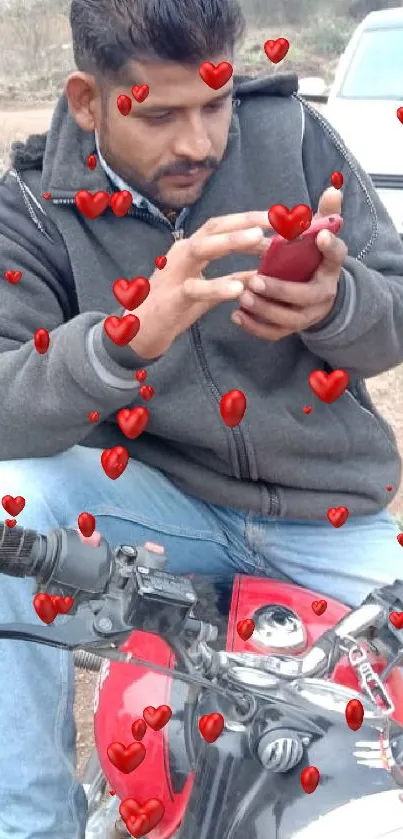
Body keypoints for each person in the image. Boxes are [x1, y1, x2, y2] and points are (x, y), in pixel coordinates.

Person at [1, 0, 403, 835]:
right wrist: (125, 339)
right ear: (86, 99)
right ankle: (34, 821)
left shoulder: (290, 135)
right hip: (152, 508)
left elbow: (394, 307)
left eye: (214, 104)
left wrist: (337, 303)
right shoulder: (32, 207)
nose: (197, 143)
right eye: (160, 113)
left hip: (325, 514)